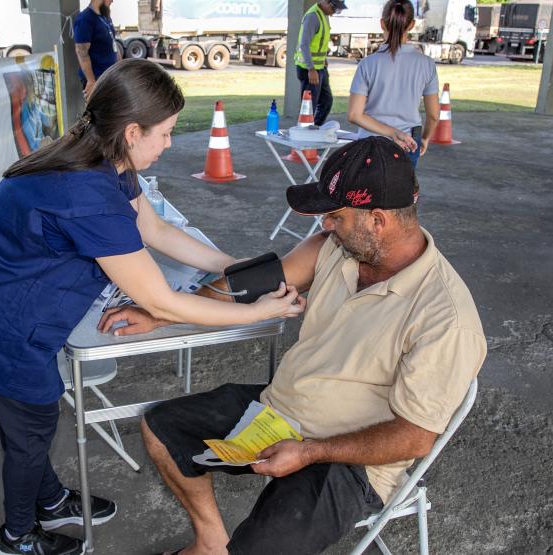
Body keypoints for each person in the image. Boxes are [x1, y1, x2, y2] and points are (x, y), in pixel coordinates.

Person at [0, 59, 305, 555]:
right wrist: (257, 313)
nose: (168, 144)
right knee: (30, 431)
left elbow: (155, 230)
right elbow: (160, 299)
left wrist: (231, 264)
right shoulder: (87, 193)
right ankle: (17, 538)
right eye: (164, 134)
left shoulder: (103, 160)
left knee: (31, 423)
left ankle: (52, 501)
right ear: (132, 131)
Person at [100, 137, 487, 555]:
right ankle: (210, 542)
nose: (325, 225)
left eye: (336, 216)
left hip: (348, 462)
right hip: (280, 412)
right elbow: (253, 282)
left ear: (378, 220)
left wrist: (309, 452)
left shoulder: (446, 318)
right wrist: (164, 312)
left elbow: (413, 438)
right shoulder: (338, 249)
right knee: (162, 428)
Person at [347, 0, 440, 167]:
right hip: (409, 141)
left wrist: (391, 132)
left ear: (382, 24)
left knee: (367, 193)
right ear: (411, 25)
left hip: (370, 143)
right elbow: (433, 115)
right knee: (402, 192)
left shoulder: (367, 64)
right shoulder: (427, 64)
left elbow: (354, 114)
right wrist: (424, 138)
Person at [294, 0, 347, 126]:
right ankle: (305, 135)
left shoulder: (324, 14)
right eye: (334, 9)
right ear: (326, 2)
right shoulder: (313, 17)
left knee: (326, 102)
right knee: (309, 108)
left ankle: (314, 129)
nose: (334, 13)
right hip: (309, 70)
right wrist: (311, 69)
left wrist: (323, 58)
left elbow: (318, 42)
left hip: (320, 67)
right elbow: (304, 44)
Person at [73, 0, 121, 98]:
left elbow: (113, 44)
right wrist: (91, 81)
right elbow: (81, 52)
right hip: (97, 78)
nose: (112, 0)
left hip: (110, 75)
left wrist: (121, 66)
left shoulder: (106, 17)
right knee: (102, 111)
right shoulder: (85, 19)